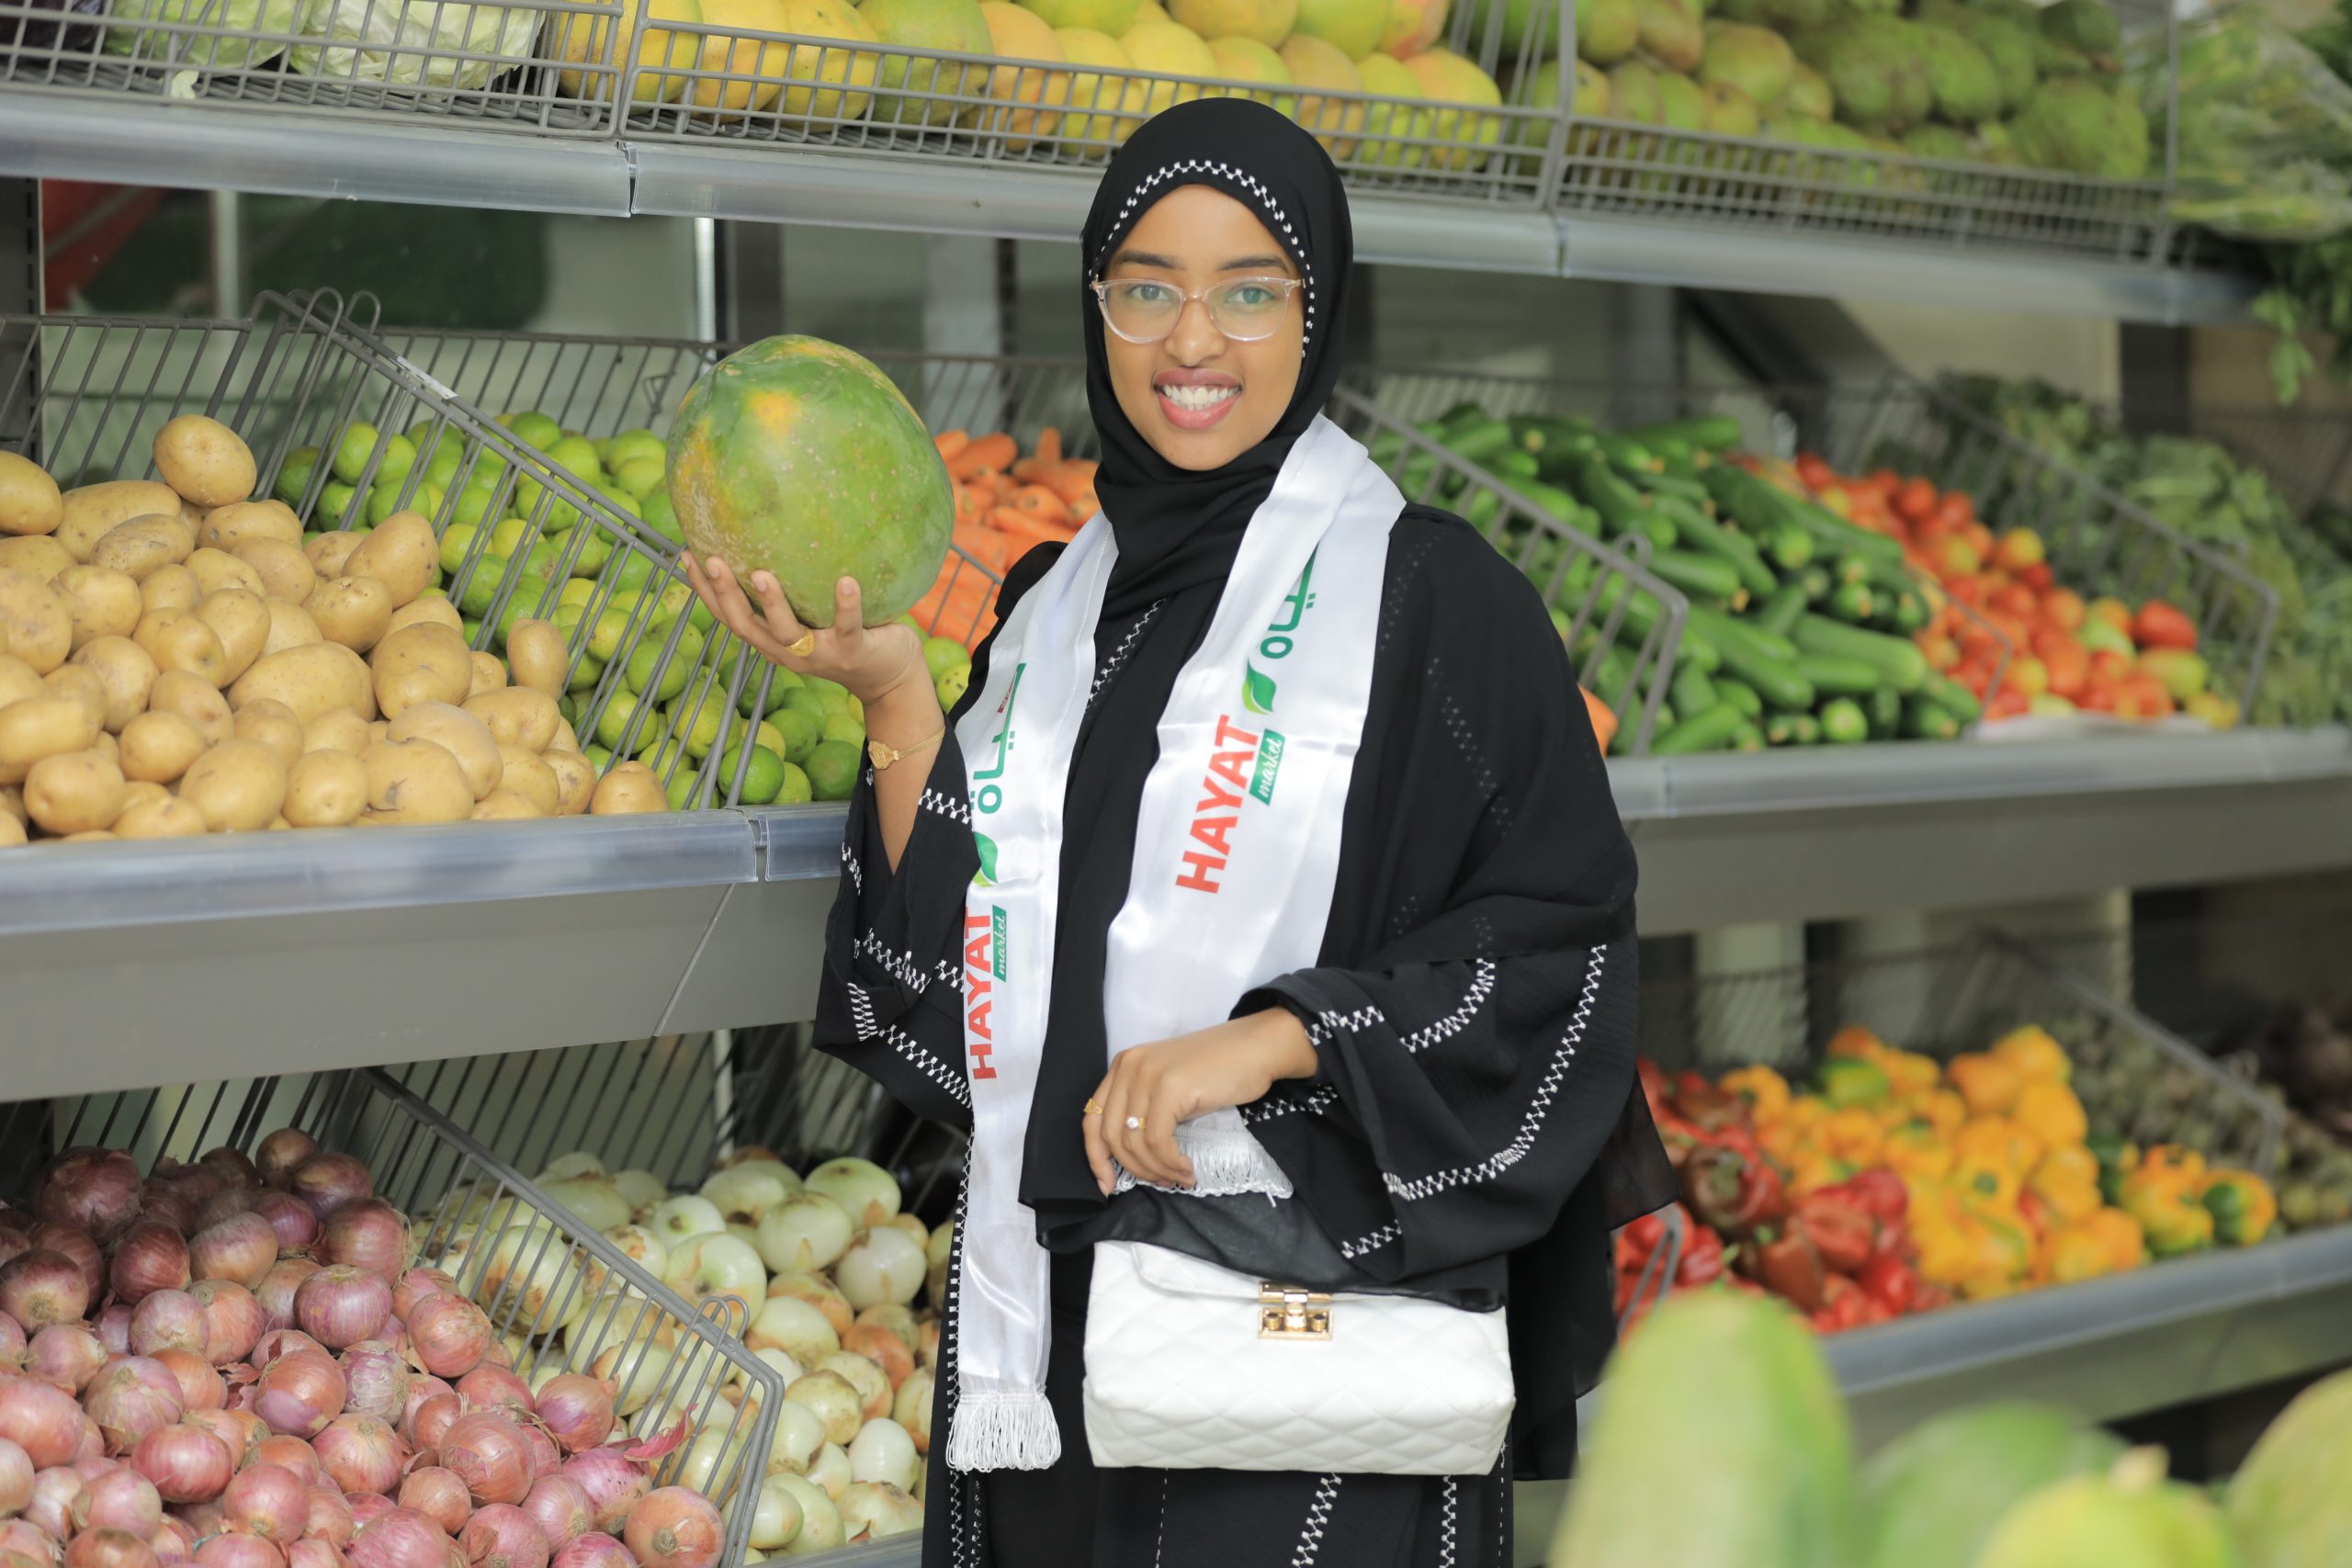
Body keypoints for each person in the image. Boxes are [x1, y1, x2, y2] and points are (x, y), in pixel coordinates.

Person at [685, 97, 1671, 1568]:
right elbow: (953, 995)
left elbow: (1557, 950)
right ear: (1098, 308)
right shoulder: (1050, 613)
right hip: (1056, 1345)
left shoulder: (1437, 606)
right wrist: (893, 694)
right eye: (1147, 289)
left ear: (1316, 313)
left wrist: (1280, 1037)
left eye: (1248, 292)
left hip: (1303, 1334)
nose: (1192, 342)